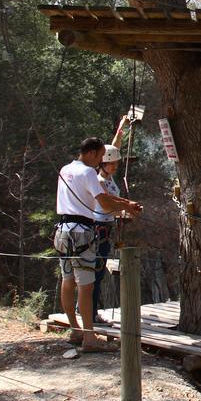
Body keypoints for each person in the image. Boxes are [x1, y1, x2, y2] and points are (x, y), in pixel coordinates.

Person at [55, 137, 142, 352]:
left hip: (62, 230)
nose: (102, 159)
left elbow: (103, 196)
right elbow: (103, 200)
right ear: (92, 153)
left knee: (68, 280)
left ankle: (75, 329)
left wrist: (125, 204)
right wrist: (128, 205)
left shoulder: (65, 169)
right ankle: (89, 337)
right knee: (86, 285)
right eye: (101, 154)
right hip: (81, 232)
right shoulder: (87, 172)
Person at [91, 116, 134, 326]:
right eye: (113, 165)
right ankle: (90, 313)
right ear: (104, 164)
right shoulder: (100, 181)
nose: (116, 167)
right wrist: (126, 208)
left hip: (106, 226)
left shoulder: (107, 177)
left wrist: (121, 128)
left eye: (117, 164)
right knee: (97, 270)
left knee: (98, 270)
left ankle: (89, 311)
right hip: (100, 228)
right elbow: (106, 206)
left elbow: (114, 147)